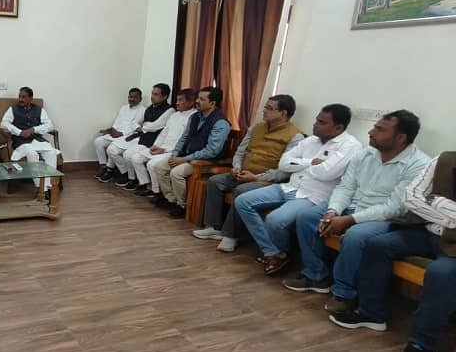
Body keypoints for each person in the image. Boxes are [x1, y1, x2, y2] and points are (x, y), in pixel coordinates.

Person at [282, 110, 430, 315]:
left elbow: (395, 207)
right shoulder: (365, 153)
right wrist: (333, 210)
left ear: (401, 138)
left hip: (385, 217)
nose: (371, 132)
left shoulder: (419, 165)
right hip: (351, 206)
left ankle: (345, 293)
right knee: (308, 217)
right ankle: (316, 275)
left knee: (355, 236)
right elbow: (345, 187)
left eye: (380, 129)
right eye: (374, 127)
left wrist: (350, 219)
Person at [328, 154, 456, 352]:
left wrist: (435, 201)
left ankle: (421, 346)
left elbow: (422, 199)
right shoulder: (444, 159)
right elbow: (411, 196)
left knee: (440, 273)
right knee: (378, 245)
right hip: (427, 232)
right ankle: (371, 314)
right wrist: (449, 218)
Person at [235, 104, 362, 273]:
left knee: (275, 220)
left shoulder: (350, 146)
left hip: (312, 196)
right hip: (290, 187)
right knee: (243, 201)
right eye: (316, 119)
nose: (315, 124)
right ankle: (274, 252)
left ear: (338, 127)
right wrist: (311, 162)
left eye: (321, 122)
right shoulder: (310, 140)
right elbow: (283, 163)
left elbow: (327, 173)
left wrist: (300, 164)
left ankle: (279, 254)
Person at [192, 95, 304, 252]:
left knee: (241, 190)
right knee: (215, 181)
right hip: (242, 173)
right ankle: (214, 227)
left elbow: (284, 171)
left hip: (266, 180)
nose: (264, 111)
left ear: (283, 113)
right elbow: (240, 152)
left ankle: (231, 235)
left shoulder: (295, 137)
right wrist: (236, 167)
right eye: (265, 107)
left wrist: (256, 177)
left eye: (269, 108)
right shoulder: (256, 128)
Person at [152, 87, 231, 219]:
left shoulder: (220, 123)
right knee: (159, 167)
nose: (197, 101)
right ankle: (172, 199)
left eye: (202, 99)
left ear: (212, 103)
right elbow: (184, 137)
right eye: (198, 98)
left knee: (176, 173)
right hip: (187, 156)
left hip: (205, 161)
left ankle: (182, 206)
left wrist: (184, 159)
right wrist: (175, 154)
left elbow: (212, 151)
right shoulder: (195, 117)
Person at [124, 88, 197, 195]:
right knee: (136, 158)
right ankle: (146, 185)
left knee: (152, 164)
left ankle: (157, 191)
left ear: (190, 102)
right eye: (177, 100)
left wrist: (164, 149)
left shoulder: (193, 117)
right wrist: (156, 145)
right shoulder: (175, 115)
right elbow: (164, 132)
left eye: (180, 100)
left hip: (173, 151)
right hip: (161, 147)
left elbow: (184, 140)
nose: (177, 103)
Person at [99, 83, 174, 185]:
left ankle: (138, 181)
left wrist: (143, 127)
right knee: (115, 150)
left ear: (165, 96)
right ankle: (129, 177)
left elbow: (155, 126)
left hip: (153, 142)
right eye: (152, 93)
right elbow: (135, 123)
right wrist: (142, 127)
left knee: (129, 155)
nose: (152, 96)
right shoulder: (149, 108)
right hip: (142, 138)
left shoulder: (169, 110)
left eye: (156, 94)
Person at [0, 86, 59, 198]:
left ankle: (48, 187)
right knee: (32, 154)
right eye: (20, 96)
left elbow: (49, 125)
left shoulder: (39, 110)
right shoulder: (12, 109)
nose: (20, 99)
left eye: (24, 97)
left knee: (51, 153)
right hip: (22, 142)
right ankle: (41, 188)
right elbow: (3, 124)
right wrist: (19, 132)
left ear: (31, 98)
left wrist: (34, 129)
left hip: (38, 140)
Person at [94, 88, 145, 180]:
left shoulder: (143, 110)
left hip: (128, 136)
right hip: (116, 133)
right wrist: (111, 130)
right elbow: (117, 121)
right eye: (130, 97)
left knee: (112, 148)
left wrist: (120, 133)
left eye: (135, 97)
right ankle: (103, 166)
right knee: (98, 141)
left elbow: (134, 126)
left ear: (140, 99)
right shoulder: (124, 107)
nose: (132, 99)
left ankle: (116, 170)